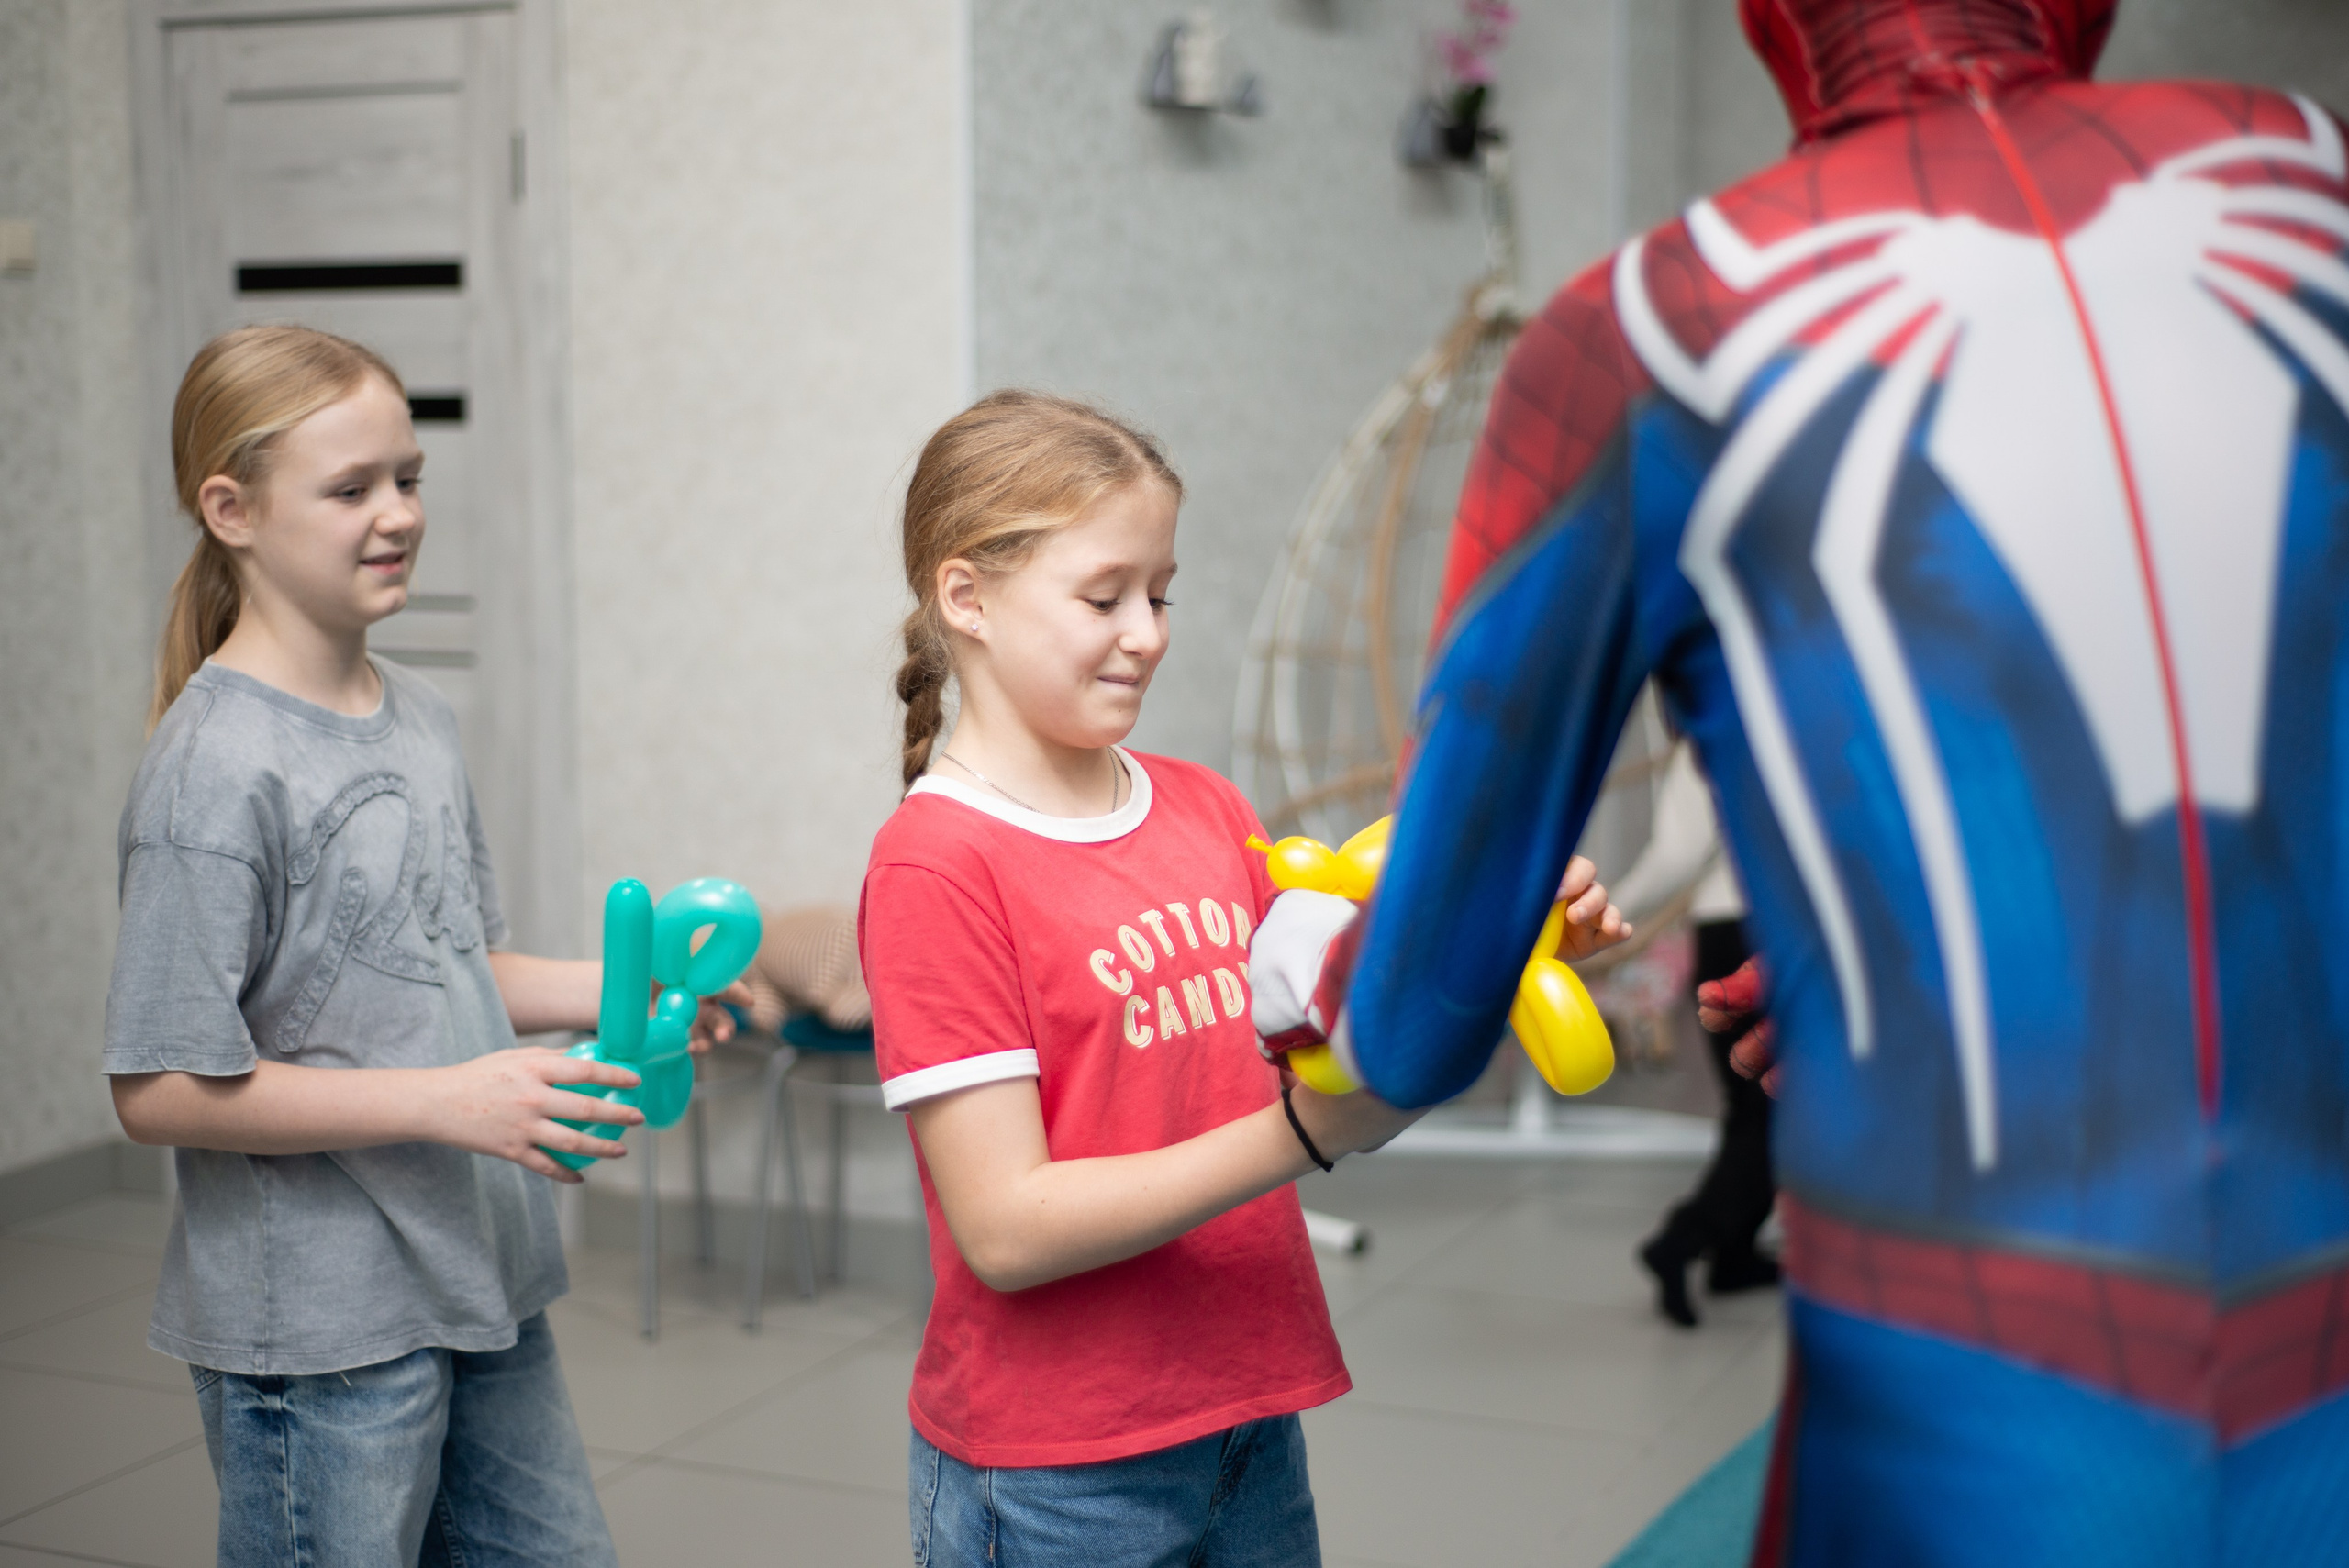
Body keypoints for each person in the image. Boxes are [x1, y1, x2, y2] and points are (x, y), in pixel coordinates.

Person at [1250, 0, 2349, 1559]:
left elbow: (1415, 1016)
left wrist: (1298, 971)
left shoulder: (1645, 324)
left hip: (1978, 1425)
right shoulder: (2310, 177)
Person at [860, 390, 1624, 1567]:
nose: (1150, 632)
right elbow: (1006, 1227)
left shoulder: (1207, 809)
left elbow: (1334, 1033)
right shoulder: (936, 864)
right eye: (1103, 595)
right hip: (1058, 1471)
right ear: (966, 598)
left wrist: (1493, 936)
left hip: (1247, 1413)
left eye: (1160, 593)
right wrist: (1303, 1135)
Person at [103, 326, 732, 1566]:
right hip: (322, 1334)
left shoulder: (421, 719)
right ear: (230, 509)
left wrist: (630, 979)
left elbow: (447, 963)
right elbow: (158, 1085)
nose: (396, 514)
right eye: (350, 490)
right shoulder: (212, 770)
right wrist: (455, 1102)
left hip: (477, 1276)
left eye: (408, 476)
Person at [1612, 743, 1776, 1328]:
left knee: (1758, 1109)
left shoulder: (1723, 726)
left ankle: (1731, 1256)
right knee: (1767, 1113)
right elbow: (1678, 857)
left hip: (1740, 930)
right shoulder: (1739, 727)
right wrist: (1610, 916)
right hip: (1756, 931)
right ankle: (1682, 1242)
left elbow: (1679, 853)